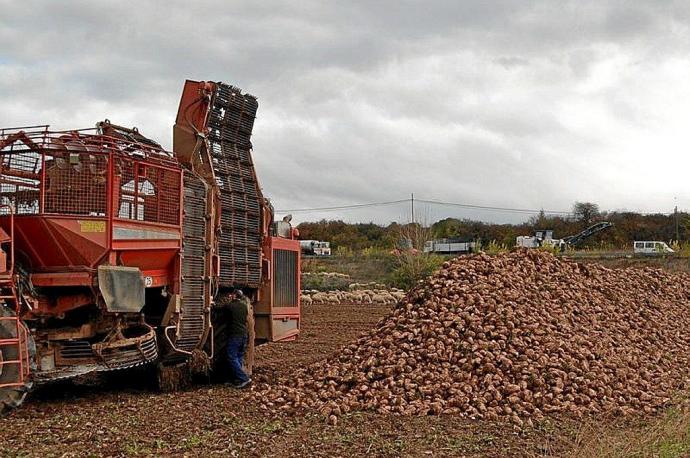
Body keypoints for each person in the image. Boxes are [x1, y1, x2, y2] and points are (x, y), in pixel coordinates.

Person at [225, 289, 252, 388]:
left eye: (232, 295)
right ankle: (237, 380)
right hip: (243, 335)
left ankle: (244, 378)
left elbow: (224, 308)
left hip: (235, 335)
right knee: (239, 357)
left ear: (235, 296)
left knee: (231, 356)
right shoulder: (244, 306)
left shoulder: (231, 306)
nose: (231, 296)